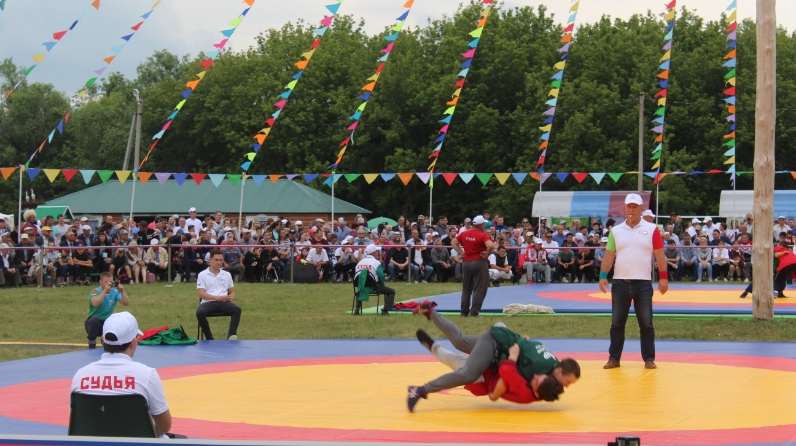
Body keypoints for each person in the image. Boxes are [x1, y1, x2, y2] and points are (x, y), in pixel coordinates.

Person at [406, 302, 580, 412]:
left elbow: (524, 343)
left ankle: (430, 312)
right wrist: (514, 354)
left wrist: (518, 344)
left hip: (499, 337)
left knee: (459, 341)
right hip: (496, 345)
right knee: (468, 374)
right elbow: (507, 370)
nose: (567, 385)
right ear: (559, 370)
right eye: (568, 381)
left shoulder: (549, 365)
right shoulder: (540, 368)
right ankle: (421, 390)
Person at [71, 312, 172, 438]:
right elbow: (164, 425)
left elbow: (81, 424)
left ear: (102, 340)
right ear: (133, 342)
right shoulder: (147, 375)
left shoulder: (80, 376)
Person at [599, 193, 667, 370]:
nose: (631, 210)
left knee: (646, 323)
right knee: (616, 323)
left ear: (641, 209)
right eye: (628, 206)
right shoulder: (616, 231)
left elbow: (660, 255)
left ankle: (649, 358)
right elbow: (609, 255)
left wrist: (664, 277)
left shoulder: (653, 229)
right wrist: (602, 275)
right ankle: (614, 358)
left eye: (635, 207)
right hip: (620, 283)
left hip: (643, 283)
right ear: (624, 208)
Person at [416, 326, 562, 404]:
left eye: (537, 380)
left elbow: (505, 376)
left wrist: (514, 354)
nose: (535, 376)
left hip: (483, 377)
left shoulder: (524, 391)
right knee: (497, 329)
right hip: (491, 365)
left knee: (453, 360)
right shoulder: (538, 388)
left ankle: (434, 347)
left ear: (536, 392)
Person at [451, 215, 494, 317]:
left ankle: (464, 312)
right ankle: (474, 312)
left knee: (466, 288)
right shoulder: (482, 235)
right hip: (479, 262)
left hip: (466, 263)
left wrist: (462, 253)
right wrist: (487, 253)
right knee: (479, 288)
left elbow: (453, 242)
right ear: (482, 225)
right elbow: (491, 245)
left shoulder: (465, 234)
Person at [196, 249, 241, 340]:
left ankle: (231, 336)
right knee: (200, 312)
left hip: (224, 303)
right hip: (208, 302)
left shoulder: (227, 274)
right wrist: (217, 298)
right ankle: (209, 337)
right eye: (216, 260)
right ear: (210, 260)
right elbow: (202, 294)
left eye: (221, 260)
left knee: (237, 310)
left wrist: (230, 298)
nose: (219, 262)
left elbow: (232, 291)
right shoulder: (202, 275)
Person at [85, 272, 131, 349]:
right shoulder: (95, 291)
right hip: (94, 322)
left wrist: (122, 292)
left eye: (111, 282)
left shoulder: (115, 292)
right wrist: (104, 292)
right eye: (106, 282)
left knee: (117, 319)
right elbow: (95, 303)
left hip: (107, 321)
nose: (109, 284)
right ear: (101, 282)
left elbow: (126, 303)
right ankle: (92, 343)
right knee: (94, 320)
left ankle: (110, 344)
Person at [353, 244, 396, 315]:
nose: (378, 253)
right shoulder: (376, 262)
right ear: (374, 252)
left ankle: (357, 308)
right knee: (391, 292)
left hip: (361, 287)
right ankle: (385, 311)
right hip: (374, 286)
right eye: (377, 251)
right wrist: (383, 285)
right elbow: (381, 276)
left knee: (360, 291)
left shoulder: (360, 262)